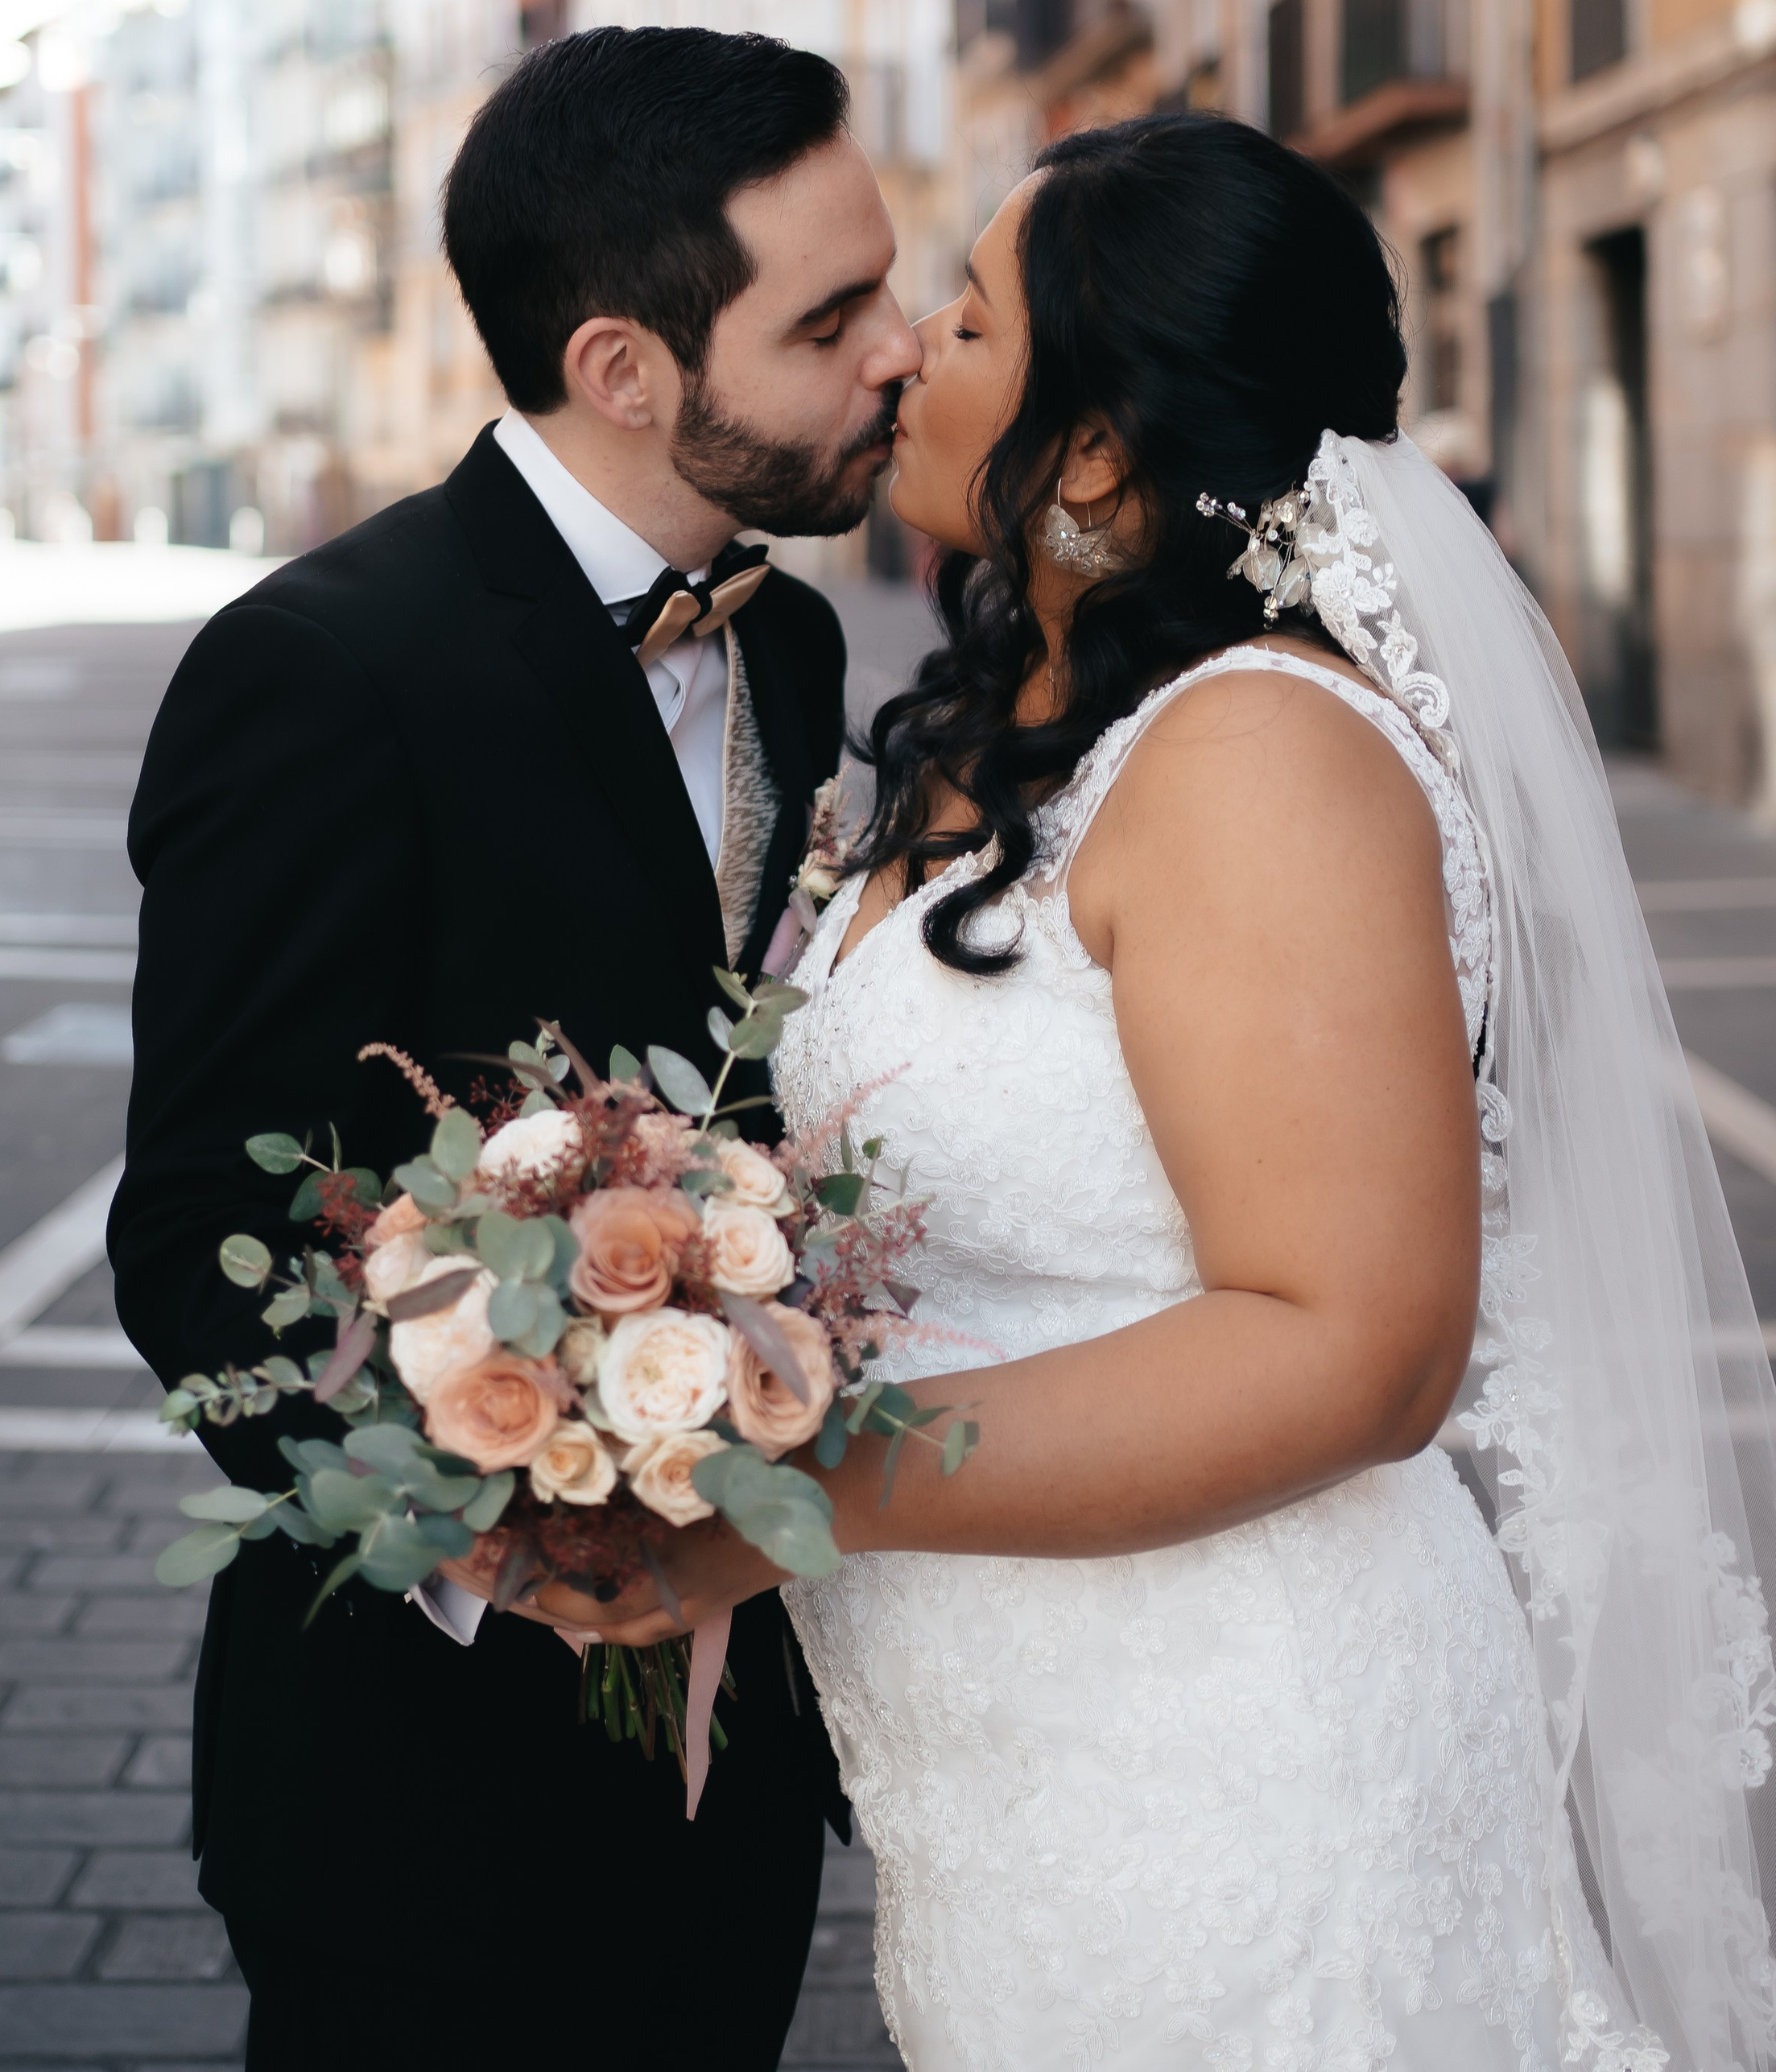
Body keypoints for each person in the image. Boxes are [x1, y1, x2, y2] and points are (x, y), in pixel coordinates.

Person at [557, 113, 1776, 2070]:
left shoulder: (1253, 761)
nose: (900, 353)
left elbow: (1356, 1345)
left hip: (1238, 1771)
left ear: (1099, 453)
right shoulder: (1013, 740)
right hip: (1030, 1789)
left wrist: (789, 1481)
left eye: (961, 321)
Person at [109, 24, 920, 2069]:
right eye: (830, 318)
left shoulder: (794, 641)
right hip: (417, 1788)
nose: (899, 350)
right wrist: (524, 1539)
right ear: (624, 368)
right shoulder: (316, 673)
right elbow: (201, 1223)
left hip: (738, 1765)